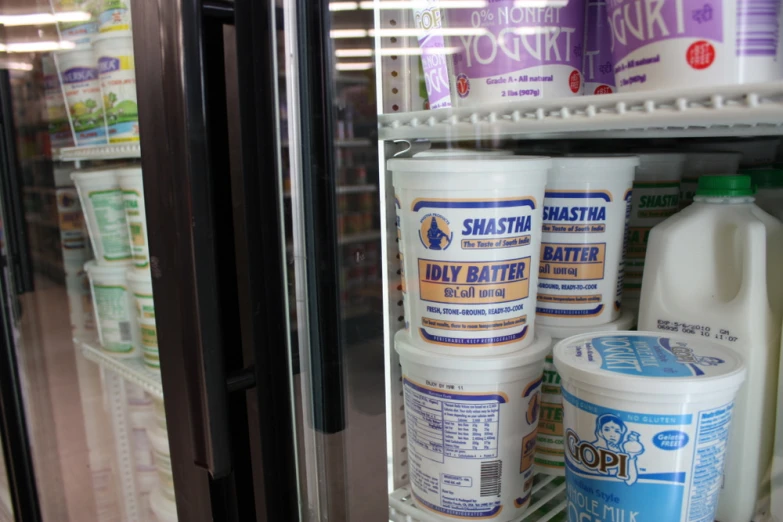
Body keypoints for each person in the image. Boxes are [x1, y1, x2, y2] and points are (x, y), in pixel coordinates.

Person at [591, 413, 643, 486]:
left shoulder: (622, 451)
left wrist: (631, 454)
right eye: (607, 429)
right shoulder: (592, 448)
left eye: (617, 431)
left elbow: (630, 481)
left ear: (622, 433)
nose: (612, 434)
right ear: (600, 432)